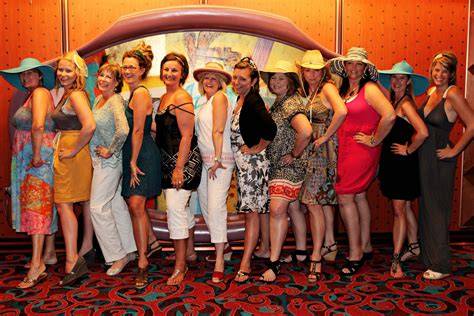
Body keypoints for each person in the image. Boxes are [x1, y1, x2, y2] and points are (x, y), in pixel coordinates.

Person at [329, 47, 395, 276]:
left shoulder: (370, 88)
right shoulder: (348, 89)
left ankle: (355, 253)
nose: (354, 68)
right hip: (348, 149)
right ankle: (365, 245)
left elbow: (390, 115)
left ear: (365, 68)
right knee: (357, 196)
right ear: (345, 67)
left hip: (361, 149)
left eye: (359, 64)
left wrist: (375, 140)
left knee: (345, 196)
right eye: (350, 64)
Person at [0, 58, 57, 288]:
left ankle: (37, 265)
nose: (26, 77)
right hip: (30, 157)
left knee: (37, 210)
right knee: (43, 206)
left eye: (30, 73)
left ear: (40, 76)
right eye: (23, 75)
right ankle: (48, 253)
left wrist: (35, 154)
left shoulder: (41, 93)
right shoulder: (33, 95)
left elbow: (38, 125)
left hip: (37, 157)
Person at [418, 52, 474, 280]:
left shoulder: (453, 94)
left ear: (452, 74)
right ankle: (429, 256)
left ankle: (441, 264)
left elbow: (472, 125)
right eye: (435, 69)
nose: (438, 74)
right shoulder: (432, 91)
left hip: (441, 158)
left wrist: (454, 150)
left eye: (443, 70)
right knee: (427, 206)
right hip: (425, 155)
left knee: (438, 209)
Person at [259, 60, 313, 282]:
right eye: (273, 78)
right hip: (281, 164)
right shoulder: (281, 103)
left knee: (277, 209)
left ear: (290, 82)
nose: (276, 82)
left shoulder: (290, 104)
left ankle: (274, 262)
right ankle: (300, 253)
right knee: (293, 208)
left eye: (281, 78)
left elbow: (306, 131)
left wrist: (294, 154)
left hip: (287, 166)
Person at [297, 50, 347, 281]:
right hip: (312, 151)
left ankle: (316, 256)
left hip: (322, 153)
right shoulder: (311, 90)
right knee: (318, 202)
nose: (312, 74)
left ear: (322, 71)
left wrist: (326, 136)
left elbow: (342, 111)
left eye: (316, 69)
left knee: (313, 203)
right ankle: (328, 245)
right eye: (308, 69)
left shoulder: (327, 87)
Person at [378, 60, 429, 278]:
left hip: (402, 164)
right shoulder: (394, 101)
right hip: (393, 162)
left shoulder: (406, 104)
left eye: (401, 78)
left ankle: (396, 260)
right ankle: (414, 245)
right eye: (394, 78)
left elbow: (423, 132)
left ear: (408, 81)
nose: (397, 81)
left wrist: (408, 150)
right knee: (405, 207)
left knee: (398, 211)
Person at [155, 52, 202, 286]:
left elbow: (187, 135)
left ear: (182, 73)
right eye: (166, 69)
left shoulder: (182, 96)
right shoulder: (164, 96)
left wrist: (179, 168)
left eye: (174, 70)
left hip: (183, 162)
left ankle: (180, 266)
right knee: (182, 210)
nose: (169, 73)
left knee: (174, 209)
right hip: (167, 161)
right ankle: (190, 253)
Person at [51, 51, 96, 285]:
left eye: (68, 70)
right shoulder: (70, 94)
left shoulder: (76, 95)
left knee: (64, 204)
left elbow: (89, 126)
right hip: (69, 150)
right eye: (60, 69)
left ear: (77, 73)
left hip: (73, 153)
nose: (63, 74)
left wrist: (73, 149)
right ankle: (78, 254)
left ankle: (72, 261)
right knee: (67, 204)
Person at [231, 57, 277, 283]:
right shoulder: (242, 99)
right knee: (257, 211)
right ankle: (263, 249)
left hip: (253, 167)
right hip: (246, 167)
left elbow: (271, 128)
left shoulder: (253, 100)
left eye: (243, 78)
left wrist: (258, 147)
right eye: (235, 77)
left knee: (251, 214)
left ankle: (245, 263)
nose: (237, 81)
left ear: (253, 81)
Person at [89, 63, 136, 276]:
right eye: (101, 75)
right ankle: (129, 249)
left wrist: (110, 150)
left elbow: (123, 129)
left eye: (109, 77)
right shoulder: (99, 99)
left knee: (97, 207)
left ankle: (117, 255)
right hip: (99, 162)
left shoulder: (115, 100)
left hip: (109, 163)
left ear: (117, 83)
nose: (103, 79)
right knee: (116, 205)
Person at [121, 42, 161, 289]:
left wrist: (134, 161)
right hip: (134, 151)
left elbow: (138, 130)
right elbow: (149, 125)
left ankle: (143, 262)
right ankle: (152, 243)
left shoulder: (141, 93)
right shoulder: (135, 93)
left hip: (141, 153)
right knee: (135, 205)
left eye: (132, 67)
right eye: (124, 67)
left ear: (142, 69)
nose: (127, 71)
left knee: (136, 203)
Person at [193, 62, 234, 283]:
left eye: (213, 77)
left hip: (220, 160)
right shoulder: (203, 101)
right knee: (207, 205)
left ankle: (219, 258)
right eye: (206, 77)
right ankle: (225, 246)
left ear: (221, 83)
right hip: (206, 161)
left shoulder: (219, 98)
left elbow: (218, 130)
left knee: (216, 207)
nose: (208, 81)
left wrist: (217, 159)